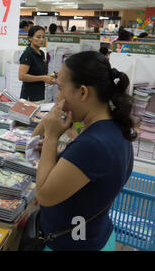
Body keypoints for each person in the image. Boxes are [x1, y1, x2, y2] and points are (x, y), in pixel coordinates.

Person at [35, 51, 135, 251]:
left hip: (72, 244)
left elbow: (44, 195)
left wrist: (52, 137)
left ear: (82, 92)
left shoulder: (93, 144)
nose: (58, 96)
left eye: (61, 88)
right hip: (95, 235)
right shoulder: (114, 127)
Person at [18, 26, 56, 102]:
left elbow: (39, 73)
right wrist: (42, 78)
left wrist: (49, 78)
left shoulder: (41, 53)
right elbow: (21, 76)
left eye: (43, 37)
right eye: (38, 37)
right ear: (30, 38)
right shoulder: (28, 54)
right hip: (29, 97)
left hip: (40, 95)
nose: (42, 40)